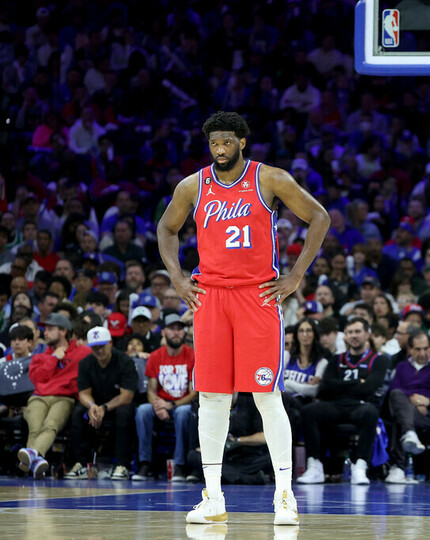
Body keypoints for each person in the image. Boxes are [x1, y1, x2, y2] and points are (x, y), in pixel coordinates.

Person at [157, 111, 330, 525]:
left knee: (267, 397)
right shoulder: (193, 185)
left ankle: (285, 496)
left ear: (241, 142)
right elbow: (166, 229)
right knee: (212, 398)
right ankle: (213, 497)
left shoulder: (269, 178)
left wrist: (295, 275)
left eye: (226, 142)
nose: (219, 149)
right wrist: (178, 278)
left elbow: (319, 217)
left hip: (257, 296)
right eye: (213, 143)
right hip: (211, 298)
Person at [297, 317, 390, 485]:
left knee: (370, 413)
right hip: (336, 405)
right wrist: (358, 382)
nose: (353, 336)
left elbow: (369, 388)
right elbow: (325, 387)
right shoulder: (337, 359)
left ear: (367, 334)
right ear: (345, 336)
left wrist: (340, 385)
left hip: (360, 406)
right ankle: (315, 465)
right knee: (309, 411)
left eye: (357, 331)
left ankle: (360, 466)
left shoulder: (379, 360)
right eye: (350, 332)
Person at [17, 314, 90, 478]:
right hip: (38, 397)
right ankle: (36, 461)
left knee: (51, 424)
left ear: (63, 331)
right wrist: (53, 358)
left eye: (50, 329)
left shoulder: (82, 353)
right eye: (45, 329)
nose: (45, 333)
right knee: (35, 428)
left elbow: (100, 357)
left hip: (64, 398)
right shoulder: (40, 356)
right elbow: (37, 378)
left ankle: (32, 455)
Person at [66, 327, 137, 481]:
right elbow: (83, 393)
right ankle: (82, 464)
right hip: (96, 408)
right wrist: (92, 406)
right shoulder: (85, 363)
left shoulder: (125, 362)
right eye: (95, 347)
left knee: (124, 413)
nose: (99, 350)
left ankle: (122, 464)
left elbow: (126, 396)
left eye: (102, 346)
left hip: (117, 406)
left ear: (110, 343)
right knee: (79, 413)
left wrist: (104, 408)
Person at [132, 313, 198, 482]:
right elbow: (151, 390)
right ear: (163, 332)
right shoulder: (155, 356)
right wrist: (158, 406)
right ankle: (145, 463)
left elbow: (193, 393)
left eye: (179, 329)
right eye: (171, 329)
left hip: (181, 404)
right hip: (161, 403)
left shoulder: (192, 356)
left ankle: (180, 465)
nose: (176, 333)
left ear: (184, 332)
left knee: (183, 413)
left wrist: (172, 405)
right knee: (142, 411)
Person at [385, 330, 430, 483]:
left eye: (426, 348)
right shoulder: (402, 367)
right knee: (397, 397)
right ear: (410, 349)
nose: (423, 353)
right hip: (407, 409)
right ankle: (410, 433)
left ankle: (398, 467)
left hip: (428, 415)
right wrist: (413, 400)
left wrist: (428, 402)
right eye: (418, 349)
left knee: (400, 417)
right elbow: (394, 392)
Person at [281, 319, 330, 449]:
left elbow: (314, 391)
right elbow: (277, 384)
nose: (305, 334)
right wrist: (301, 386)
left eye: (308, 330)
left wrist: (288, 383)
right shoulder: (286, 356)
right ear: (296, 335)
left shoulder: (321, 363)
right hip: (286, 404)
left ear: (314, 334)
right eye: (301, 331)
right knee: (290, 413)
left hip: (304, 403)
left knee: (287, 402)